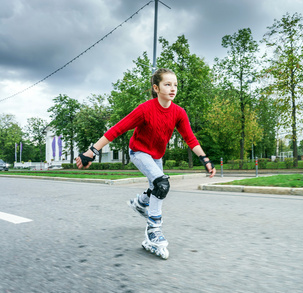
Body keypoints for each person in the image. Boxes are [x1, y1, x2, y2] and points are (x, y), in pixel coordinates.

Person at [76, 68, 216, 259]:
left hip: (156, 156)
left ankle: (141, 203)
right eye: (167, 84)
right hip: (139, 152)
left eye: (175, 85)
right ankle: (153, 232)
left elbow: (190, 138)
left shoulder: (178, 113)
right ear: (156, 88)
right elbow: (117, 129)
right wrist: (92, 151)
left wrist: (205, 159)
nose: (173, 88)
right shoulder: (145, 109)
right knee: (161, 184)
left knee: (156, 186)